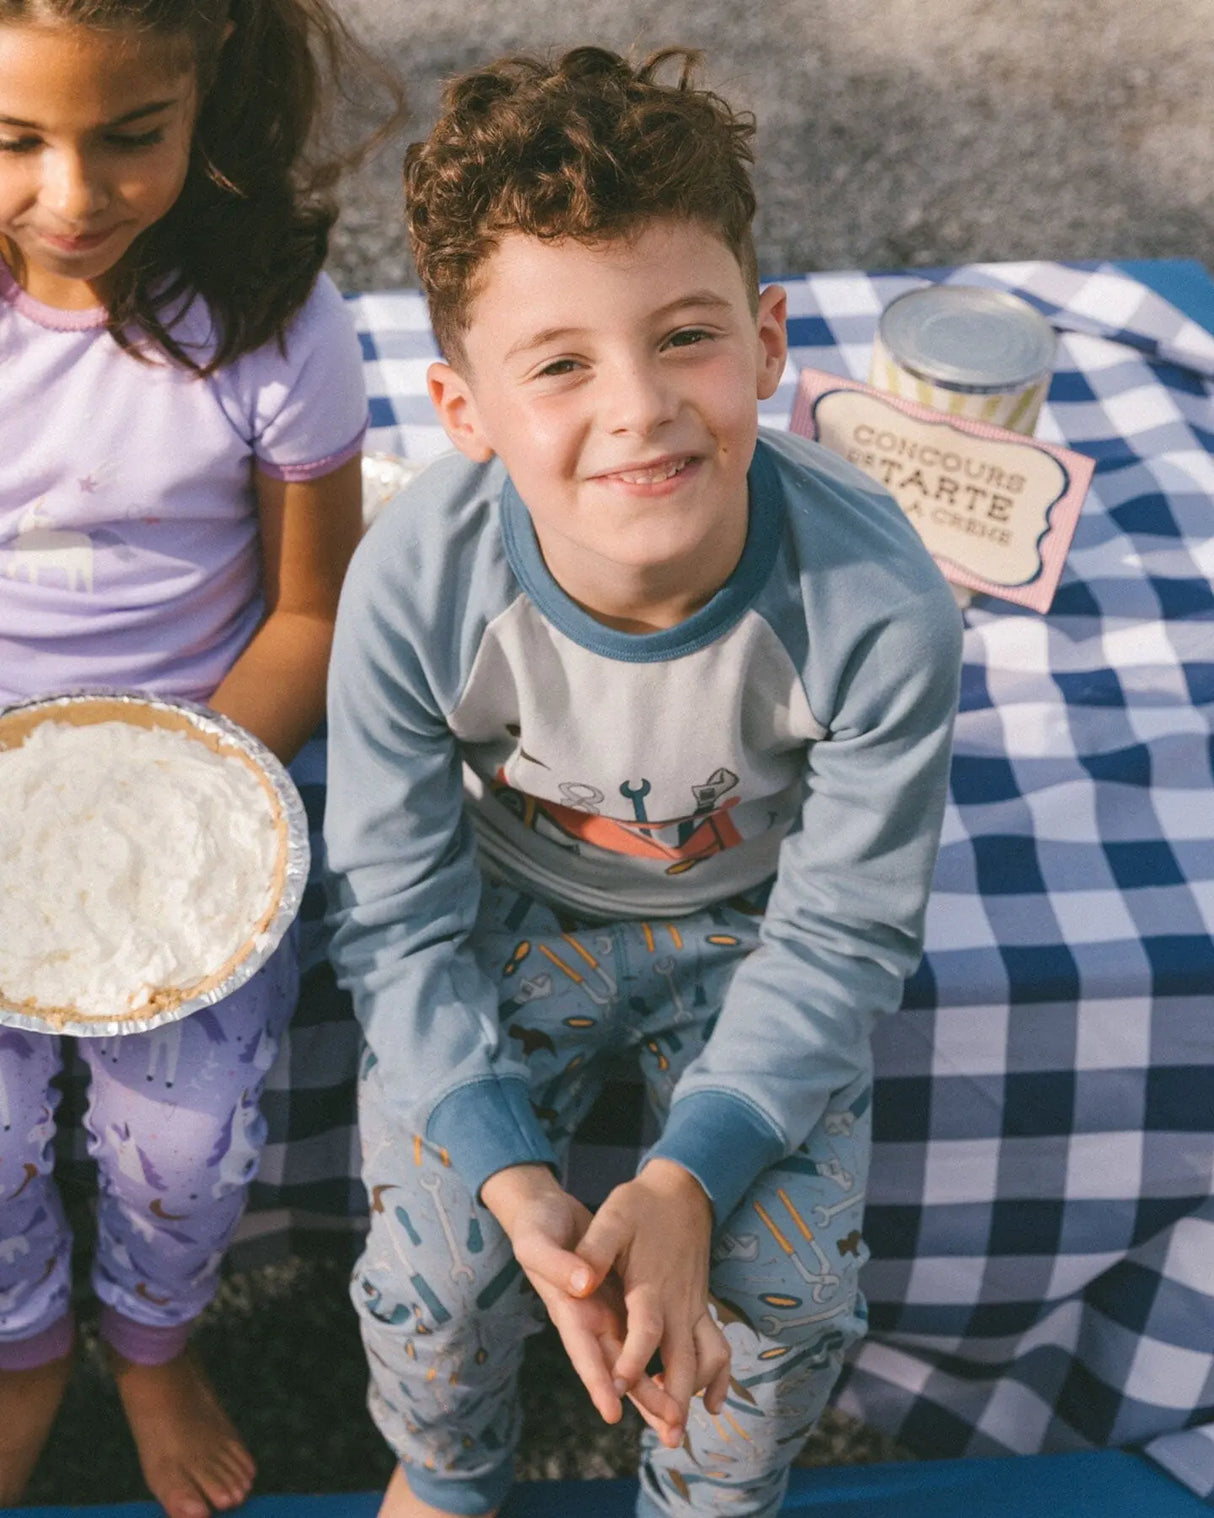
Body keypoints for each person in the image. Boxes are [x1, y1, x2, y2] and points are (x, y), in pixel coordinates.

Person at [325, 45, 963, 1518]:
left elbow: (847, 928)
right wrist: (502, 1172)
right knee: (435, 1266)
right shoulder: (414, 584)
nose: (640, 407)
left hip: (759, 929)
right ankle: (442, 1474)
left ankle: (709, 1499)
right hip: (509, 903)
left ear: (767, 339)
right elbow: (394, 913)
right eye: (558, 363)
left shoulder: (876, 600)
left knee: (780, 1305)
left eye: (684, 338)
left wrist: (684, 1179)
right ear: (461, 408)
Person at [0, 0, 400, 1512]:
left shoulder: (274, 327)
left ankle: (154, 1339)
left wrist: (166, 802)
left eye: (129, 136)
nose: (72, 194)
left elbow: (309, 607)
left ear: (207, 90)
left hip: (203, 786)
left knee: (183, 1129)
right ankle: (25, 1342)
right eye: (14, 141)